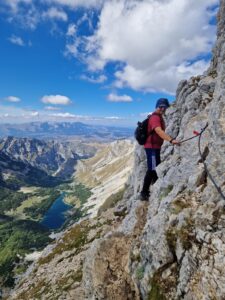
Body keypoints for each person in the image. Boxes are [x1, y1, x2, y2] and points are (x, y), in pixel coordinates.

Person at [140, 98, 180, 201]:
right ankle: (144, 193)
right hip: (151, 148)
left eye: (164, 107)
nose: (163, 109)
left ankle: (155, 185)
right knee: (152, 168)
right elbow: (158, 131)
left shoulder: (158, 117)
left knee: (156, 167)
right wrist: (171, 140)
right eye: (160, 106)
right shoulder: (155, 118)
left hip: (155, 147)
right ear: (157, 106)